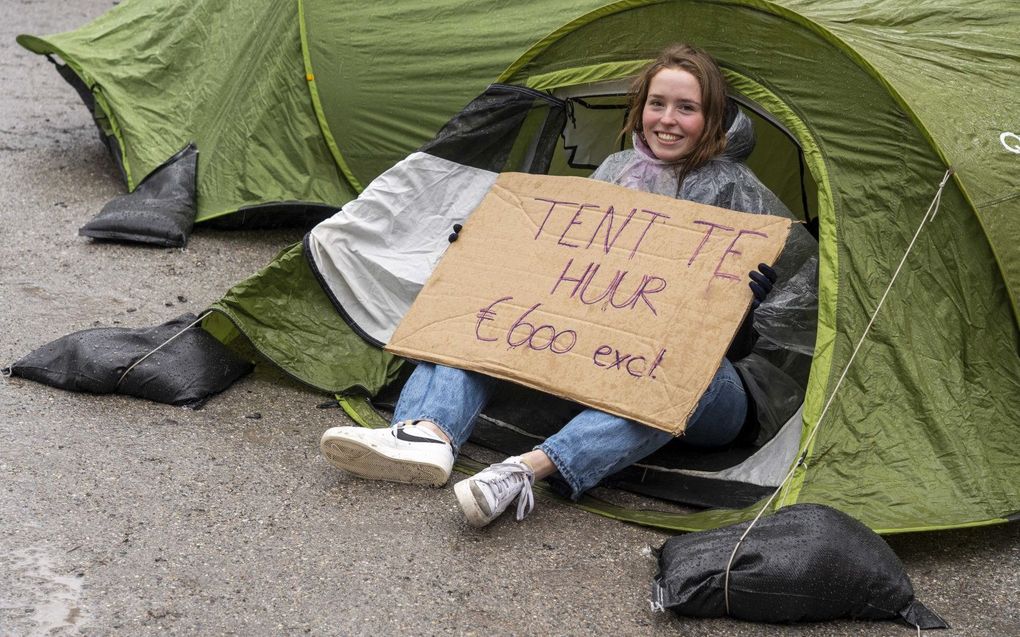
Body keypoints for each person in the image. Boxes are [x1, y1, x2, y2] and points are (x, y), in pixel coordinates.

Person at [319, 44, 816, 528]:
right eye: (656, 103)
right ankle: (429, 433)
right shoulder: (617, 172)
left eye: (686, 108)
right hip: (606, 358)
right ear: (639, 108)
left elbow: (783, 331)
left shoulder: (738, 192)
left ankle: (527, 470)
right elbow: (555, 270)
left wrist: (755, 303)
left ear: (712, 119)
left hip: (716, 389)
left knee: (681, 374)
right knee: (482, 306)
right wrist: (485, 247)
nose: (667, 119)